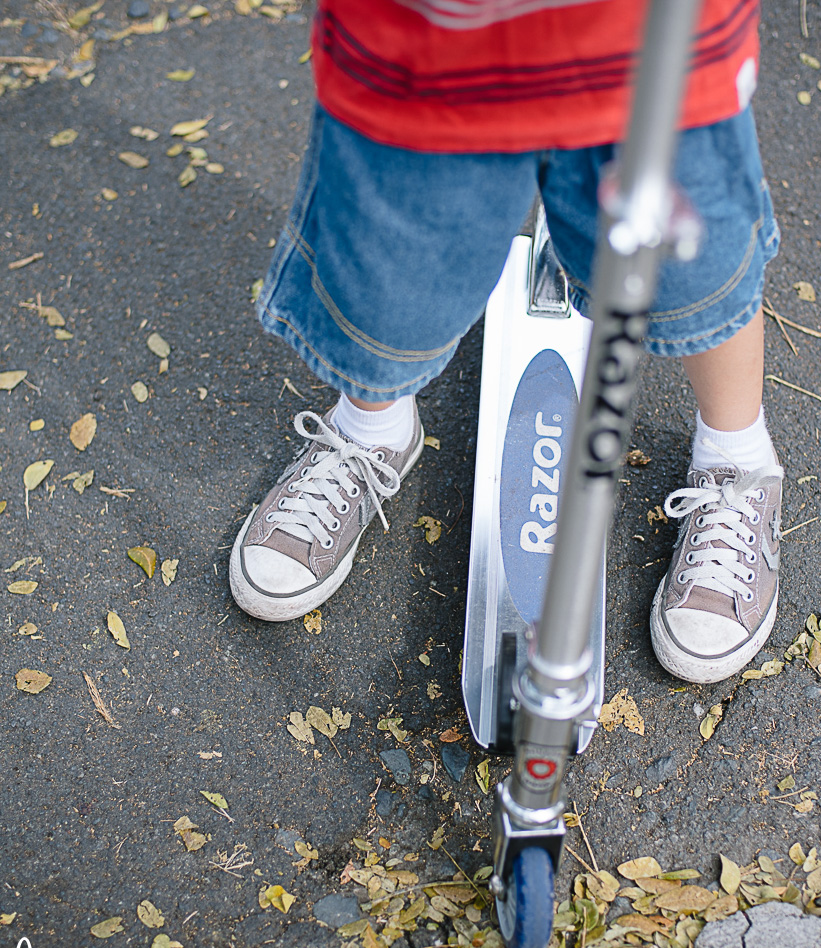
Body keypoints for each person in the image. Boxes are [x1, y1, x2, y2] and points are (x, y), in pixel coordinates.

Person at [227, 0, 782, 684]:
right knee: (390, 276)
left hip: (645, 42)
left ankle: (737, 459)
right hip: (428, 44)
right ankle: (371, 429)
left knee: (694, 279)